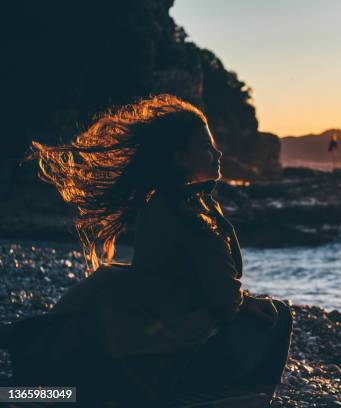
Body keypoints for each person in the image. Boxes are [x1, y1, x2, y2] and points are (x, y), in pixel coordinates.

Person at [0, 94, 293, 406]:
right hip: (175, 356)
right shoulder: (189, 214)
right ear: (181, 158)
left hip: (152, 342)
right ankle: (252, 397)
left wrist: (243, 301)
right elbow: (224, 302)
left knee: (53, 396)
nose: (217, 154)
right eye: (206, 148)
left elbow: (187, 282)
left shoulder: (160, 203)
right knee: (281, 314)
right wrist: (245, 302)